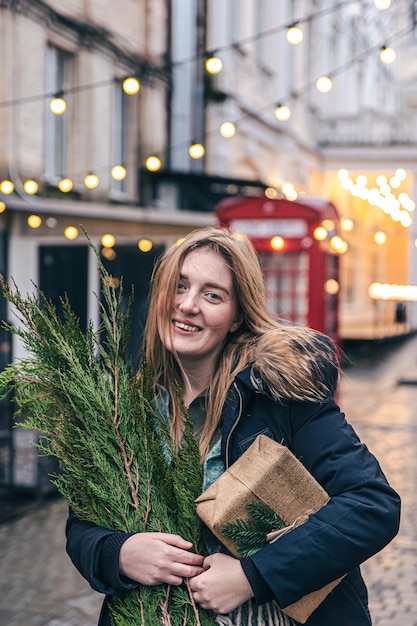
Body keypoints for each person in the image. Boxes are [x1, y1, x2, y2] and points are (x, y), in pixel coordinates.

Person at [66, 226, 401, 626]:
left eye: (213, 295)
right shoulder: (127, 407)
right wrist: (116, 553)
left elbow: (371, 505)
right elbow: (82, 522)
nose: (188, 305)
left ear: (238, 314)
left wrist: (253, 576)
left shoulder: (281, 394)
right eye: (180, 286)